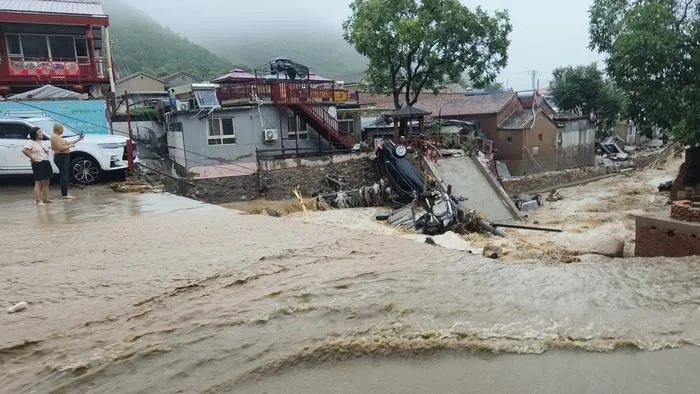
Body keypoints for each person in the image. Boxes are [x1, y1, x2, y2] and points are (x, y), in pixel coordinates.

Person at [50, 123, 83, 199]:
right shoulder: (55, 137)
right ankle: (64, 194)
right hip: (61, 157)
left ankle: (65, 192)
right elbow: (60, 148)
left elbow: (67, 143)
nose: (63, 130)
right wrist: (70, 146)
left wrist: (78, 139)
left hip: (64, 156)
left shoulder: (58, 137)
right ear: (58, 129)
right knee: (64, 175)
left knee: (65, 174)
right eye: (62, 128)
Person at [21, 127, 52, 205]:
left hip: (45, 162)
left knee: (47, 181)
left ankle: (46, 198)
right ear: (34, 133)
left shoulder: (42, 142)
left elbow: (46, 151)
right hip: (38, 163)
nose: (41, 133)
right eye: (39, 132)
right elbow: (24, 150)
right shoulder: (31, 142)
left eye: (41, 132)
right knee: (39, 182)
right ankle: (38, 201)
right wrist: (32, 157)